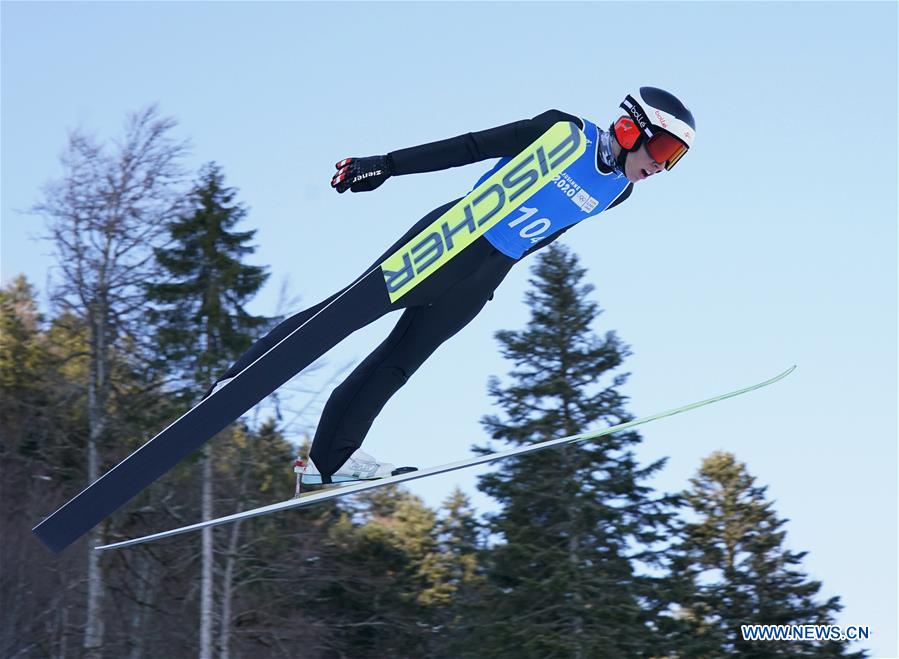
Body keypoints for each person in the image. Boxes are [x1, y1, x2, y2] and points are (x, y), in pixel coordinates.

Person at [208, 87, 696, 485]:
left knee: (400, 361)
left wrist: (495, 273)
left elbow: (548, 231)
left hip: (486, 272)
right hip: (451, 238)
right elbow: (470, 147)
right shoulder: (564, 133)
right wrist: (386, 164)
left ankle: (330, 459)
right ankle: (239, 379)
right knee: (346, 312)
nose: (661, 166)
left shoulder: (618, 191)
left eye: (673, 159)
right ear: (630, 127)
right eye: (661, 150)